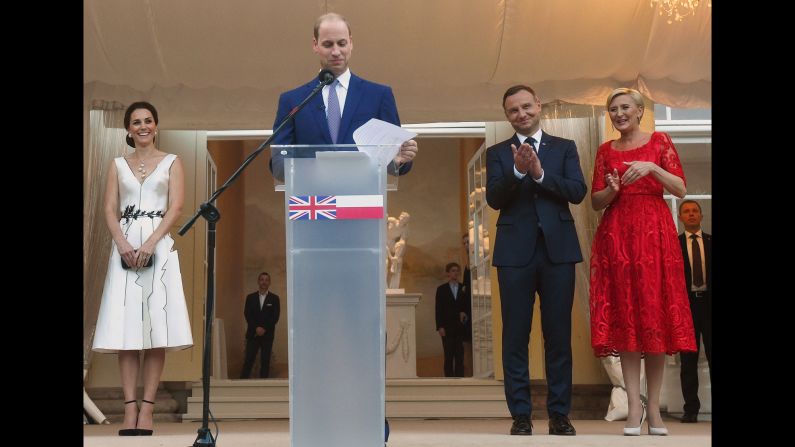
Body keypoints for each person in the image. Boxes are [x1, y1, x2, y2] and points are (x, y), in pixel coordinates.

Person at [589, 87, 696, 436]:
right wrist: (613, 189)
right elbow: (595, 201)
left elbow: (680, 188)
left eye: (624, 108)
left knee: (654, 319)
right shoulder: (605, 151)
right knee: (629, 320)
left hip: (655, 235)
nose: (618, 114)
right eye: (612, 109)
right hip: (618, 236)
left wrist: (651, 167)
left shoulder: (660, 141)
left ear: (638, 110)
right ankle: (634, 405)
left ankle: (654, 410)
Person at [485, 85, 586, 436]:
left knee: (558, 336)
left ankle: (559, 415)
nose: (521, 114)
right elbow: (495, 199)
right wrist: (516, 172)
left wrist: (540, 173)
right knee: (515, 336)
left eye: (526, 106)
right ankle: (521, 416)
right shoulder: (498, 152)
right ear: (507, 115)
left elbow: (577, 191)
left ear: (538, 106)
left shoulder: (565, 148)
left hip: (558, 251)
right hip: (514, 254)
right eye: (513, 110)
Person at [92, 101, 194, 436]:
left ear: (156, 125)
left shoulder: (172, 162)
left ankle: (148, 409)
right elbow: (108, 208)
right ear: (128, 129)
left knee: (154, 329)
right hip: (123, 246)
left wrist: (150, 243)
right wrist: (121, 242)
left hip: (158, 246)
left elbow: (176, 207)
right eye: (136, 122)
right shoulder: (117, 164)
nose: (143, 126)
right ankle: (129, 408)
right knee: (126, 332)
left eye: (148, 120)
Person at [268, 12, 418, 180]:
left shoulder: (379, 96)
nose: (336, 51)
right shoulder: (293, 101)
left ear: (351, 44)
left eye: (341, 43)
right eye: (328, 44)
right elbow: (279, 164)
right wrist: (319, 169)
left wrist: (399, 160)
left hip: (363, 200)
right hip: (313, 200)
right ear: (315, 45)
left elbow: (396, 158)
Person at [677, 200, 711, 423]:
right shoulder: (674, 244)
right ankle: (691, 409)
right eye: (686, 212)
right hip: (685, 306)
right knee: (688, 361)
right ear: (680, 217)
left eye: (694, 211)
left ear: (701, 216)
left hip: (709, 306)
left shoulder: (710, 242)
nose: (691, 215)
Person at [240, 272, 281, 379]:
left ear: (269, 282)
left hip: (267, 335)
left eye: (266, 280)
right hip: (253, 334)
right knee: (248, 360)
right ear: (258, 281)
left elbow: (275, 317)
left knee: (265, 361)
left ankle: (263, 385)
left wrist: (264, 328)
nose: (264, 282)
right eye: (262, 279)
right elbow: (247, 314)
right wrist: (256, 328)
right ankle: (241, 384)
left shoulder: (275, 298)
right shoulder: (250, 297)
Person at [434, 263, 470, 377]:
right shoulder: (441, 289)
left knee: (460, 355)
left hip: (460, 327)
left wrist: (464, 313)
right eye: (453, 270)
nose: (456, 273)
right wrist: (440, 326)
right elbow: (438, 309)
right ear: (448, 273)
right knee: (448, 355)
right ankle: (448, 380)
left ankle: (460, 379)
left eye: (457, 271)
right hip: (447, 327)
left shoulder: (462, 288)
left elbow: (466, 305)